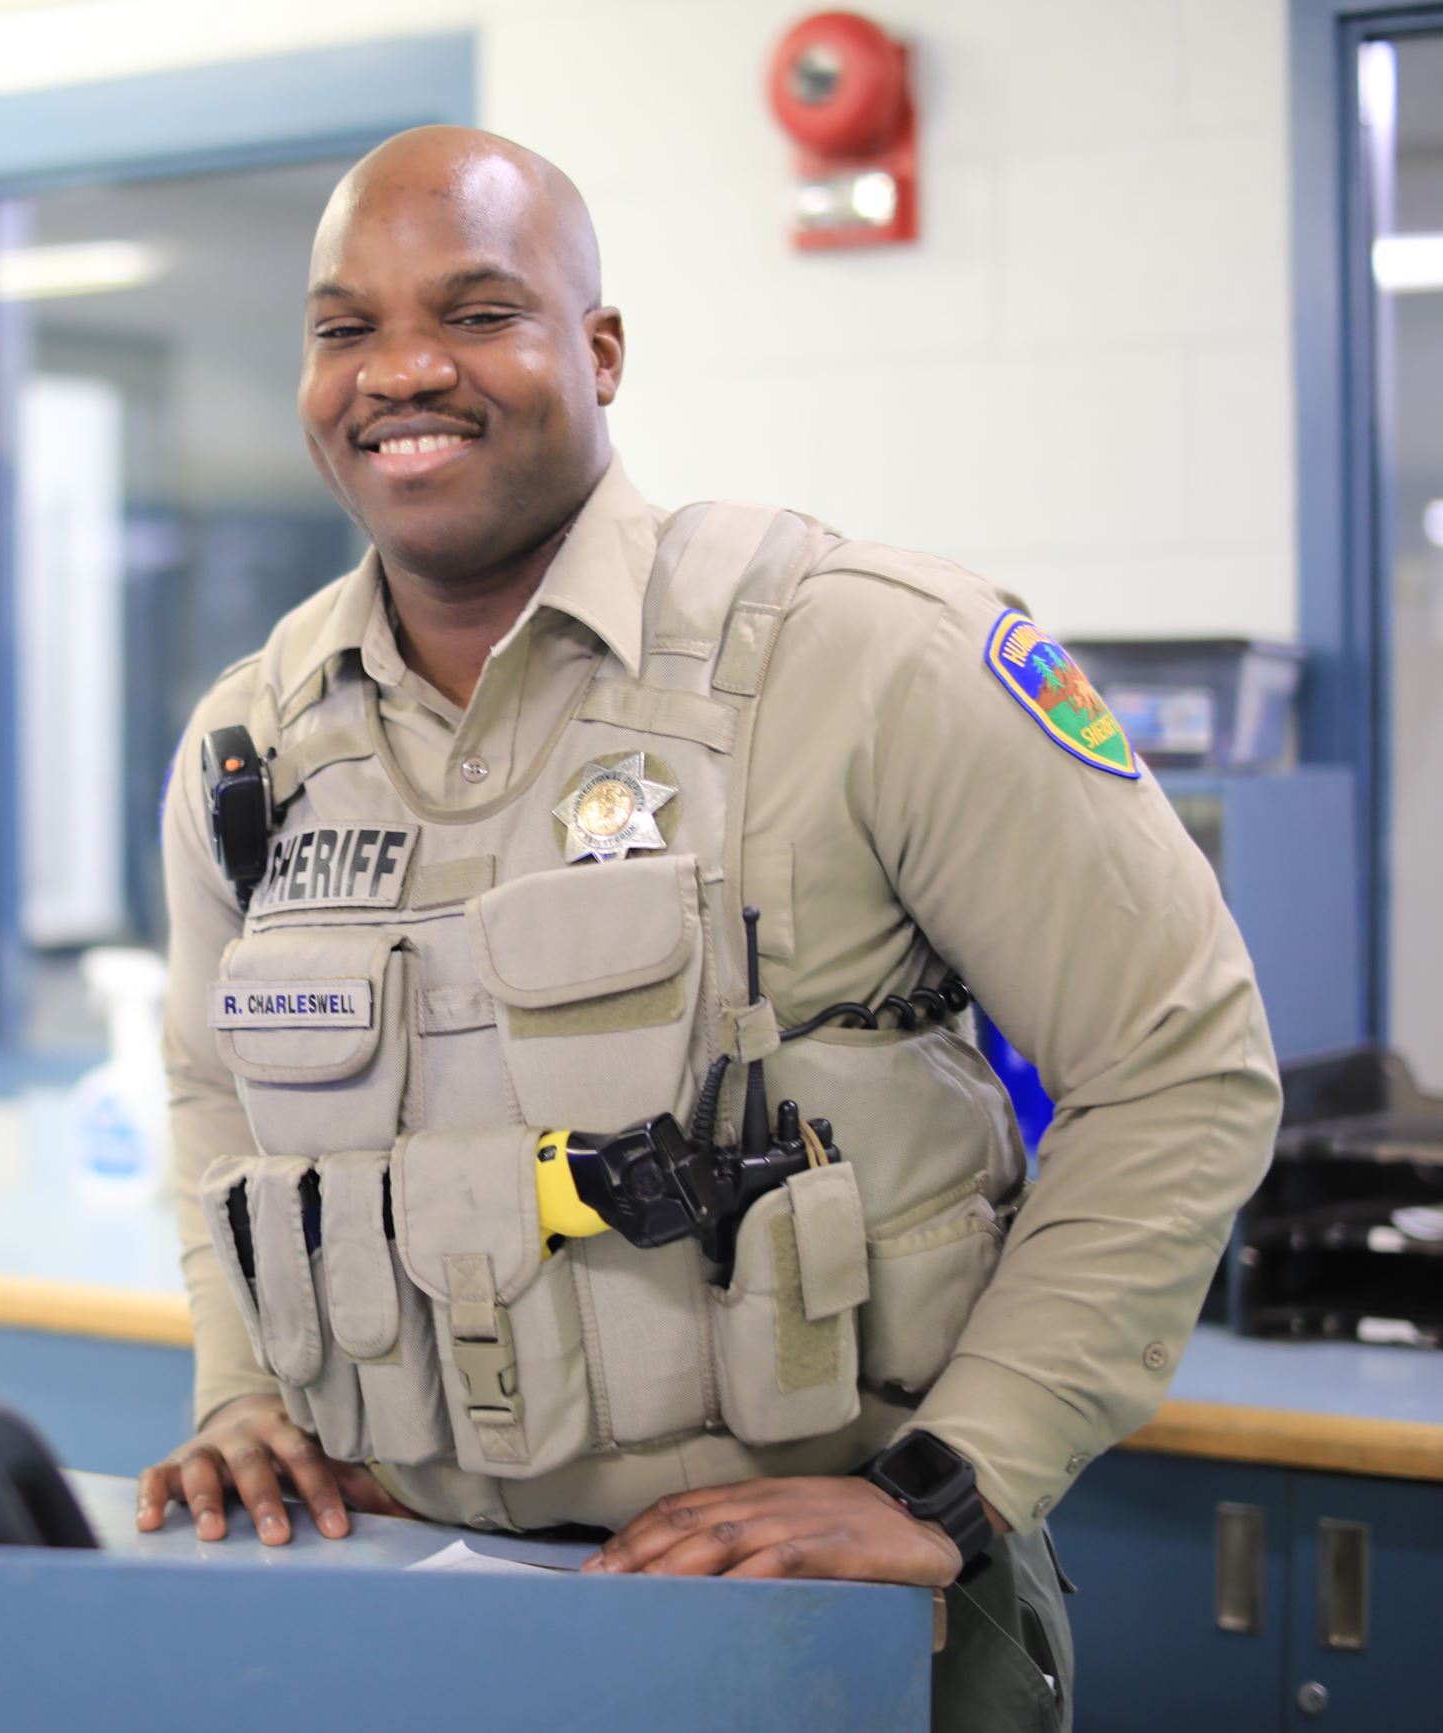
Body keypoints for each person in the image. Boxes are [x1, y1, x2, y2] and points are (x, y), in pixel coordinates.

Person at [134, 125, 1279, 1729]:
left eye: (476, 313)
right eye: (347, 328)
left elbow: (1180, 1067)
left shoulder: (860, 655)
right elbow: (210, 1096)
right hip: (413, 1606)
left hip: (827, 1627)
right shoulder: (254, 747)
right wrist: (246, 1386)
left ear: (596, 350)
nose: (401, 370)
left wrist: (950, 1491)